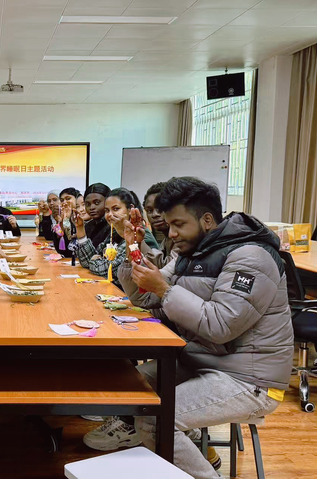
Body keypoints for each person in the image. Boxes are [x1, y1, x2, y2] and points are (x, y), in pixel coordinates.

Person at [86, 177, 294, 479]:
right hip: (201, 361)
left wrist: (165, 290)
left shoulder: (251, 257)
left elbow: (220, 325)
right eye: (169, 224)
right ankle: (192, 457)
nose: (171, 233)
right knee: (129, 387)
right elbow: (145, 297)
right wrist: (132, 248)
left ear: (207, 220)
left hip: (248, 379)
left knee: (156, 420)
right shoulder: (191, 253)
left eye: (178, 225)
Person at [75, 188, 158, 286]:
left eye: (116, 209)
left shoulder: (140, 233)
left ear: (130, 209)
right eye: (107, 210)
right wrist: (80, 228)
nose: (110, 214)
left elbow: (109, 270)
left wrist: (94, 261)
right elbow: (86, 261)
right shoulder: (114, 233)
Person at [142, 182, 176, 268]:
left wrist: (140, 242)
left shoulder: (182, 237)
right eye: (149, 211)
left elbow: (165, 268)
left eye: (160, 208)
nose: (155, 215)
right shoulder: (166, 240)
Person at [83, 183, 111, 250]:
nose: (91, 207)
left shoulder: (112, 225)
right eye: (88, 204)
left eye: (97, 202)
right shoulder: (88, 226)